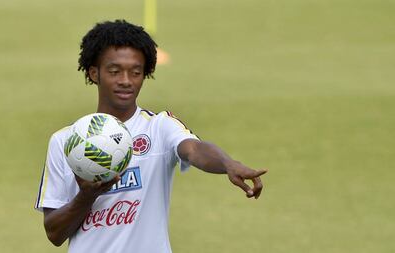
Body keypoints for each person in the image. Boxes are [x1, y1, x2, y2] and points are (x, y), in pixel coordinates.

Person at [34, 19, 267, 253]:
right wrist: (87, 196)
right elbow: (54, 233)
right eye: (115, 72)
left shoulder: (159, 127)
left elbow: (194, 150)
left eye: (136, 72)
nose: (126, 81)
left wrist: (228, 164)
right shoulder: (66, 141)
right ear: (94, 73)